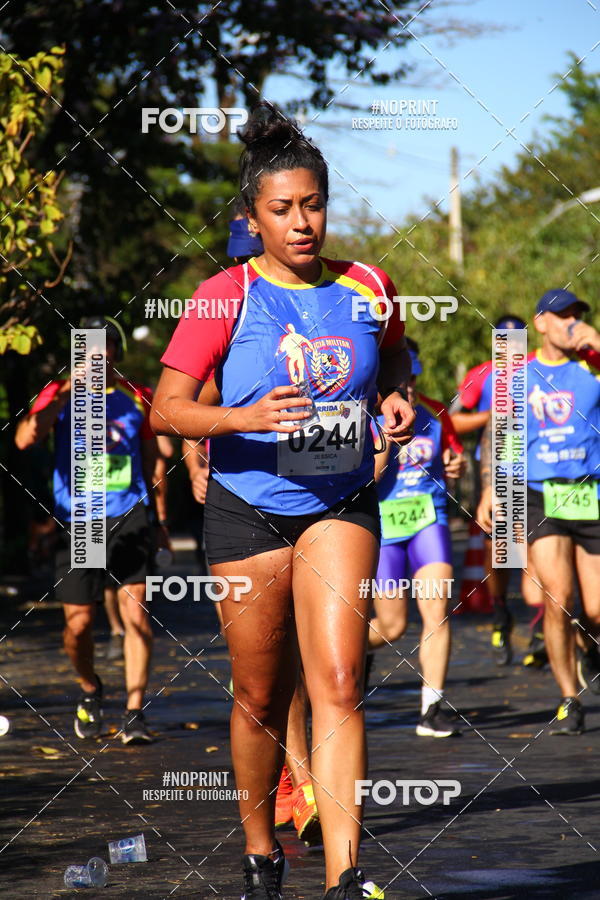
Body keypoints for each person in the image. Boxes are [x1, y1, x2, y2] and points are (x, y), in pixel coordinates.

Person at [150, 102, 415, 899]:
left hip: (341, 501)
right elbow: (167, 408)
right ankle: (260, 851)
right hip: (248, 507)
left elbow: (396, 357)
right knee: (261, 693)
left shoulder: (369, 285)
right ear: (252, 218)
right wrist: (242, 418)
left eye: (313, 205)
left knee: (338, 679)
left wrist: (398, 397)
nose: (302, 223)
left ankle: (345, 876)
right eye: (283, 209)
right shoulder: (222, 294)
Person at [15, 315, 168, 744]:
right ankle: (90, 687)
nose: (96, 355)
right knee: (79, 625)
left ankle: (135, 712)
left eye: (104, 347)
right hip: (80, 522)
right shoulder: (59, 392)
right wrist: (65, 393)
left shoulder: (136, 395)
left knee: (136, 612)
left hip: (128, 515)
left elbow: (154, 462)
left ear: (116, 352)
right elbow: (25, 439)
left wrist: (160, 519)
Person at [477, 289, 600, 734]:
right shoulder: (517, 377)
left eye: (577, 316)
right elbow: (499, 434)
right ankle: (569, 697)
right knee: (558, 597)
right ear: (541, 322)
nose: (572, 323)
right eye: (562, 316)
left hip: (589, 492)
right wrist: (491, 487)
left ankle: (589, 644)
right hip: (537, 494)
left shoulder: (591, 368)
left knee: (596, 608)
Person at [367, 339, 466, 737]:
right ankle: (333, 655)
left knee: (437, 611)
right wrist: (385, 439)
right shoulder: (366, 418)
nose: (406, 388)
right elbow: (368, 479)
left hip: (429, 521)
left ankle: (432, 708)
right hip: (385, 529)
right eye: (398, 381)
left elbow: (452, 457)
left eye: (410, 379)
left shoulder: (435, 416)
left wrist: (455, 466)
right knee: (391, 626)